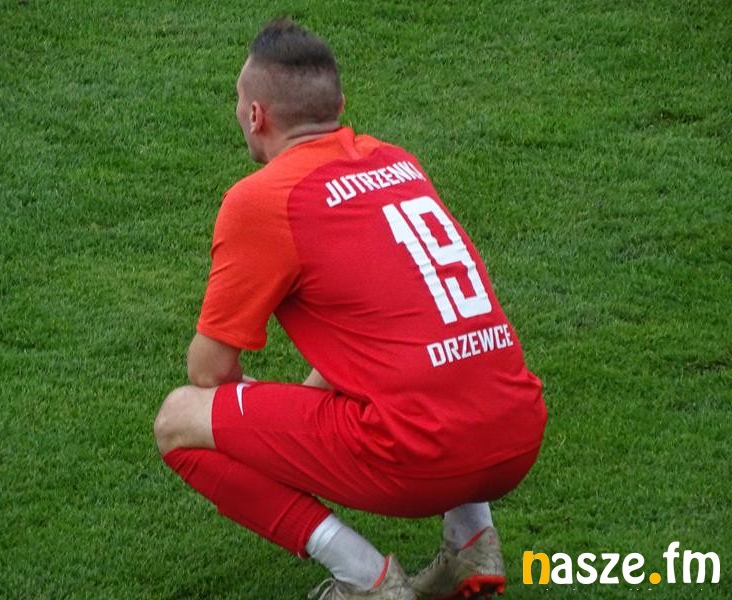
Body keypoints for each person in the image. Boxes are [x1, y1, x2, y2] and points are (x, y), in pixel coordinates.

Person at [154, 18, 547, 600]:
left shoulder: (262, 200)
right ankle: (472, 541)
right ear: (338, 106)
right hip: (516, 433)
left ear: (256, 115)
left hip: (421, 456)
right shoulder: (397, 161)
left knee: (179, 419)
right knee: (432, 355)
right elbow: (386, 329)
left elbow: (209, 373)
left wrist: (272, 426)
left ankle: (367, 580)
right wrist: (303, 408)